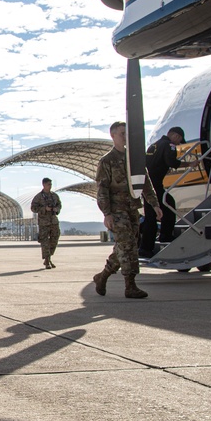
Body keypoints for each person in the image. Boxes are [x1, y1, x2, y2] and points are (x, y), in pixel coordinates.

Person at [93, 121, 163, 299]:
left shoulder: (135, 159)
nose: (125, 137)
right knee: (127, 245)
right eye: (122, 133)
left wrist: (154, 204)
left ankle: (103, 276)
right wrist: (106, 213)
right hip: (116, 210)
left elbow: (145, 183)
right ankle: (130, 285)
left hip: (132, 208)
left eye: (126, 134)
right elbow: (102, 190)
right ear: (113, 136)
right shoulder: (107, 161)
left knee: (127, 244)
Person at [139, 126, 186, 257]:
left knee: (150, 217)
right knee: (169, 205)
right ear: (176, 136)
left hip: (147, 185)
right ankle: (165, 236)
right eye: (179, 141)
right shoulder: (169, 145)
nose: (177, 144)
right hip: (155, 185)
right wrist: (188, 164)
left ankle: (145, 248)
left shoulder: (154, 145)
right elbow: (171, 161)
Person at [30, 177, 62, 269]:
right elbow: (33, 208)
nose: (50, 186)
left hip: (53, 221)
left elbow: (59, 204)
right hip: (44, 222)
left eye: (51, 184)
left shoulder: (54, 196)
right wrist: (44, 209)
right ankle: (47, 260)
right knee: (44, 242)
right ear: (43, 185)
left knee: (55, 239)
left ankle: (49, 257)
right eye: (48, 184)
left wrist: (57, 209)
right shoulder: (38, 197)